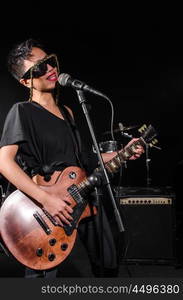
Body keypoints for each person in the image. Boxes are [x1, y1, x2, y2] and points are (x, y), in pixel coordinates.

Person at [0, 39, 144, 278]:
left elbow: (85, 159)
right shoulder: (22, 112)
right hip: (47, 205)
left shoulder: (68, 112)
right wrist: (46, 200)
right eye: (39, 68)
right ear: (26, 81)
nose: (50, 69)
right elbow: (4, 162)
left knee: (108, 264)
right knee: (42, 275)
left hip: (84, 195)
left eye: (50, 62)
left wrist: (122, 153)